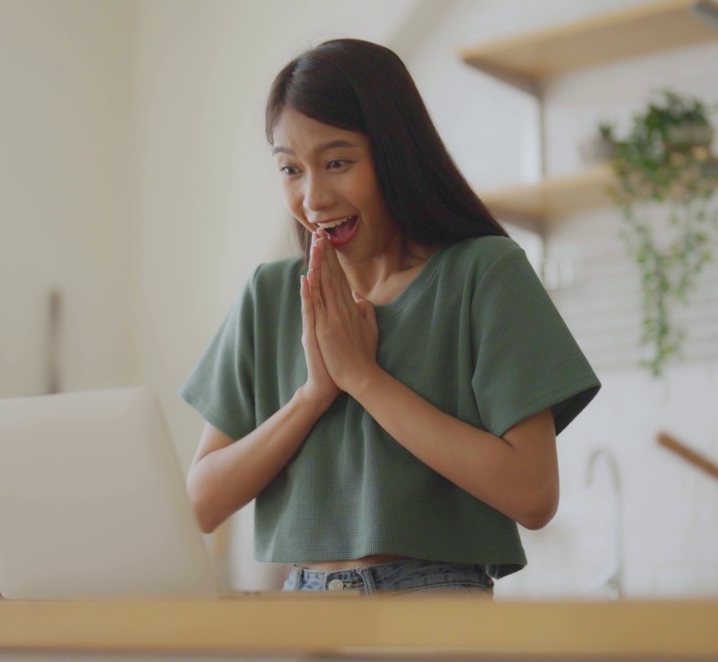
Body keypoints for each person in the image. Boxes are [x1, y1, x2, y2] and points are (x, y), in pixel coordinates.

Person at [179, 39, 600, 597]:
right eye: (289, 169)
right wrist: (313, 395)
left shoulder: (483, 274)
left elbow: (533, 493)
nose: (313, 198)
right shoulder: (269, 294)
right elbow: (201, 502)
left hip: (434, 603)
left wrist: (363, 378)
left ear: (396, 152)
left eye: (337, 163)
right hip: (299, 604)